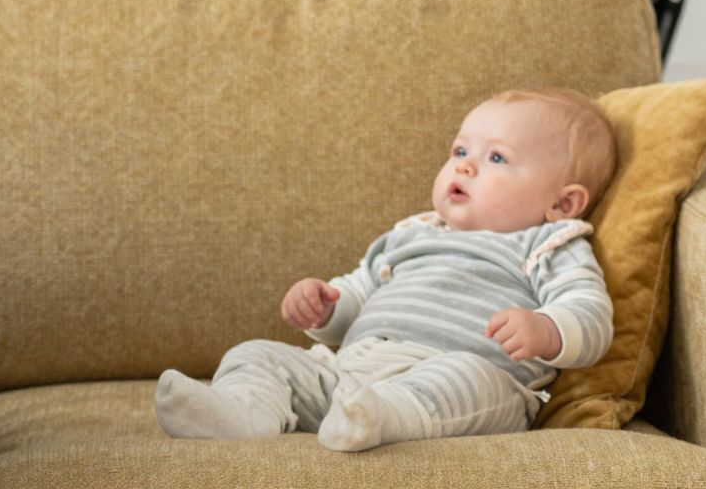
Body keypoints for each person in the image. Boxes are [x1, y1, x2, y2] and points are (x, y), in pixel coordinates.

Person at [156, 89, 617, 451]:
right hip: (349, 376)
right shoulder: (412, 234)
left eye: (496, 157)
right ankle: (241, 412)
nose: (465, 166)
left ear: (562, 203)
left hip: (458, 379)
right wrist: (324, 309)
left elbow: (590, 313)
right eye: (459, 151)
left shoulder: (548, 244)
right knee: (258, 352)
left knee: (469, 378)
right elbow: (355, 294)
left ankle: (383, 417)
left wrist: (546, 329)